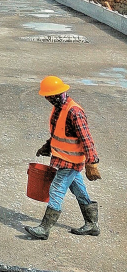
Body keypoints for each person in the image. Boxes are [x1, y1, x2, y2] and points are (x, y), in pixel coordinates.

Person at [25, 76, 102, 240]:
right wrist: (46, 147)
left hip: (71, 162)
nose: (47, 99)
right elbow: (58, 133)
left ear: (58, 94)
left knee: (56, 190)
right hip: (62, 159)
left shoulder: (74, 112)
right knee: (79, 191)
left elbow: (86, 138)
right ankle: (92, 224)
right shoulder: (59, 108)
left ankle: (44, 229)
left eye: (49, 96)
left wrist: (92, 161)